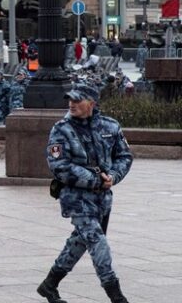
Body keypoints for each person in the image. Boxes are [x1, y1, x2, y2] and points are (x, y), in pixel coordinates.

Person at [39, 84, 132, 303]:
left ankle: (49, 285)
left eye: (77, 100)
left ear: (92, 103)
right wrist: (94, 180)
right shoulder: (61, 129)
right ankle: (116, 295)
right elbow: (59, 165)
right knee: (98, 243)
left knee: (80, 242)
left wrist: (113, 177)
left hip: (103, 199)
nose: (71, 104)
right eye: (69, 100)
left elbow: (124, 156)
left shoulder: (110, 126)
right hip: (76, 198)